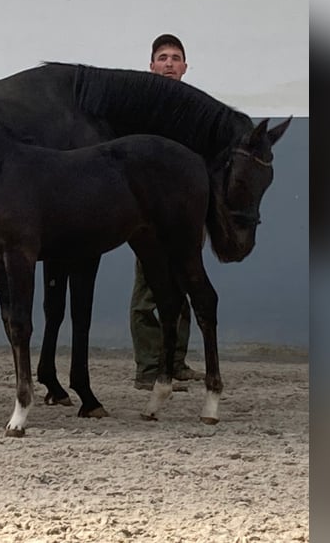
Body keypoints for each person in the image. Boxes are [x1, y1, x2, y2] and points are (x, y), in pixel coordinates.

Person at [131, 33, 204, 391]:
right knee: (148, 293)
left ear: (185, 67)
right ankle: (148, 369)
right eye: (163, 57)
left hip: (186, 215)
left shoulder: (195, 111)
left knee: (185, 286)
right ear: (151, 66)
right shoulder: (139, 109)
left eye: (176, 57)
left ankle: (176, 363)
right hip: (149, 216)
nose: (170, 63)